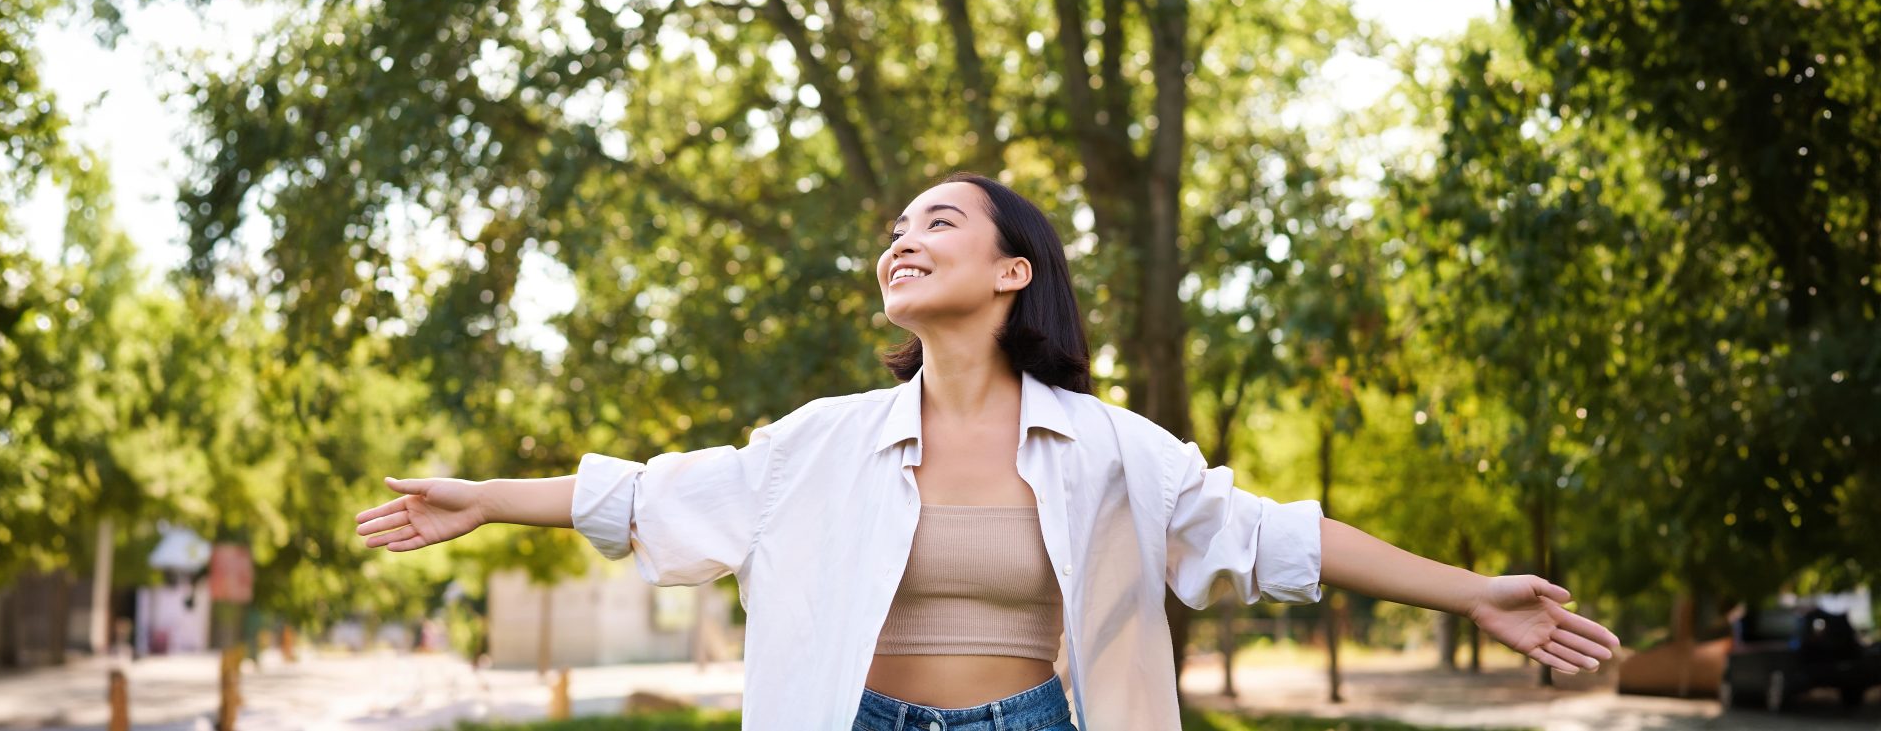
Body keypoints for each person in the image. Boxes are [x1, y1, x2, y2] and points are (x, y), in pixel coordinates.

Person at [353, 172, 1621, 730]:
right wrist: (484, 500)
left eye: (939, 221)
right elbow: (651, 494)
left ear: (1013, 272)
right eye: (896, 227)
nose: (903, 238)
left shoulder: (1115, 449)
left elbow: (1273, 535)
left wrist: (1474, 594)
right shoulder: (819, 445)